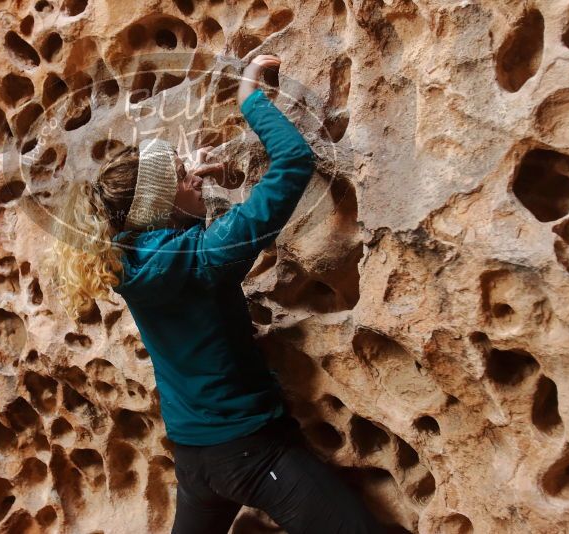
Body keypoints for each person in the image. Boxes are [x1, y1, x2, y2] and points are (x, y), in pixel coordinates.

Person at [44, 54, 384, 534]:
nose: (192, 173)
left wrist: (187, 196)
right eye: (182, 176)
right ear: (163, 207)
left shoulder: (125, 260)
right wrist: (250, 100)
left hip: (193, 459)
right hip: (253, 451)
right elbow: (293, 162)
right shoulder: (204, 256)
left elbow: (179, 264)